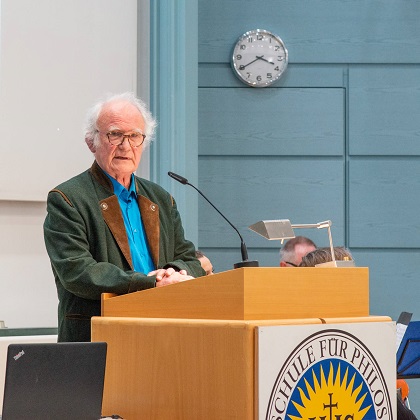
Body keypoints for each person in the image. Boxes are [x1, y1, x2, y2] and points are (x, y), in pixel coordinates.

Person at [43, 92, 205, 342]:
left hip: (163, 335)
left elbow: (188, 257)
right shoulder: (67, 198)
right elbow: (78, 272)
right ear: (91, 142)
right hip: (98, 338)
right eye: (115, 134)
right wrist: (149, 284)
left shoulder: (161, 199)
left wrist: (173, 274)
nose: (126, 146)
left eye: (135, 136)